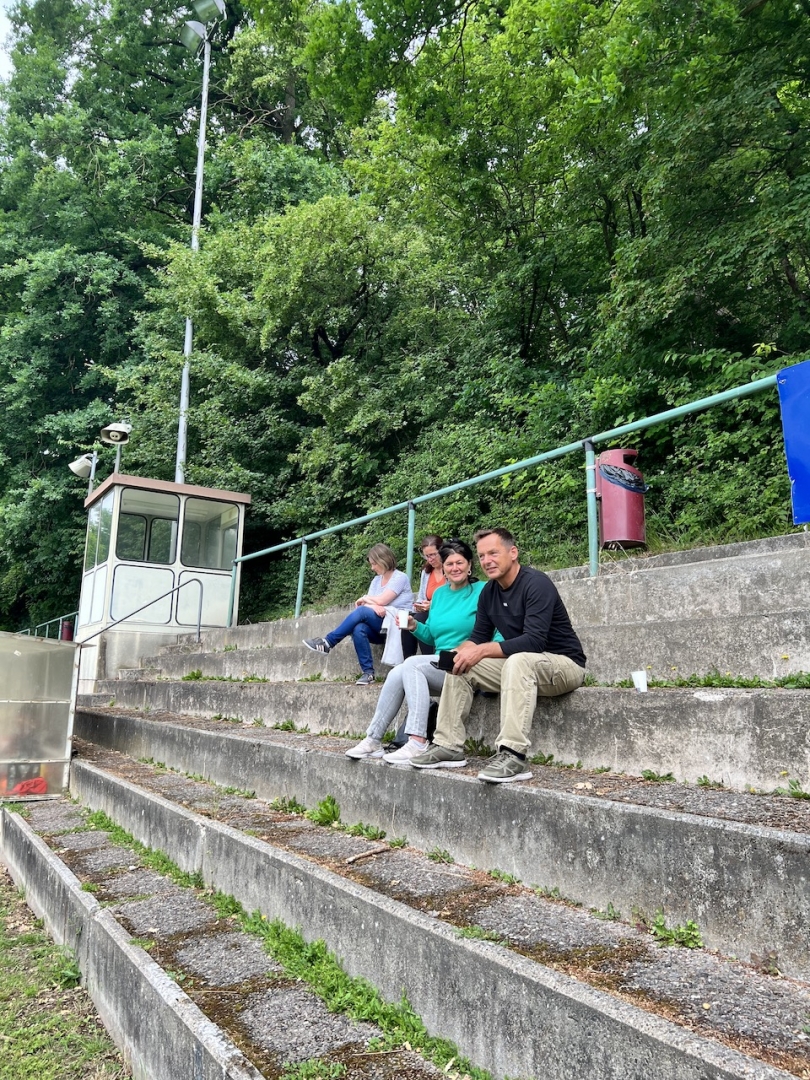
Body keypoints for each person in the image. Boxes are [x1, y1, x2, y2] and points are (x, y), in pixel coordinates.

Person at [409, 527, 586, 783]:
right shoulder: (489, 592)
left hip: (563, 665)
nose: (487, 561)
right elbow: (478, 637)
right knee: (462, 665)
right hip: (523, 668)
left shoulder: (536, 583)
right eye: (482, 556)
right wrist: (458, 653)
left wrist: (481, 650)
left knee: (518, 659)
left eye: (493, 553)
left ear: (513, 553)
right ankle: (448, 745)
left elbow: (534, 641)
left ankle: (514, 754)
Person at [344, 539, 488, 762]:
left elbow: (494, 630)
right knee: (397, 672)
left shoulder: (483, 591)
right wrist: (414, 626)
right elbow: (432, 635)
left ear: (469, 565)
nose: (455, 568)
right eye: (449, 564)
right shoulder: (439, 595)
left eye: (460, 563)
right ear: (443, 568)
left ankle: (418, 740)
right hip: (443, 663)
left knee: (411, 664)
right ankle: (373, 739)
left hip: (470, 663)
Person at [303, 544, 413, 685]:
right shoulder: (376, 581)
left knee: (361, 612)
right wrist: (374, 604)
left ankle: (328, 642)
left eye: (374, 564)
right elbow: (369, 604)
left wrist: (368, 599)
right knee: (358, 628)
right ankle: (368, 673)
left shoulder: (400, 577)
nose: (372, 568)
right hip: (381, 625)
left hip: (397, 624)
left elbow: (381, 600)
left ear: (383, 560)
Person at [401, 534, 445, 660]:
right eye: (427, 556)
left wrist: (432, 605)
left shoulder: (450, 570)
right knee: (407, 620)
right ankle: (407, 660)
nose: (430, 559)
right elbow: (421, 596)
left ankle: (429, 660)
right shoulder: (426, 572)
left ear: (442, 551)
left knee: (420, 619)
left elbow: (453, 597)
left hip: (443, 610)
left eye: (433, 555)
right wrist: (419, 605)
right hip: (427, 610)